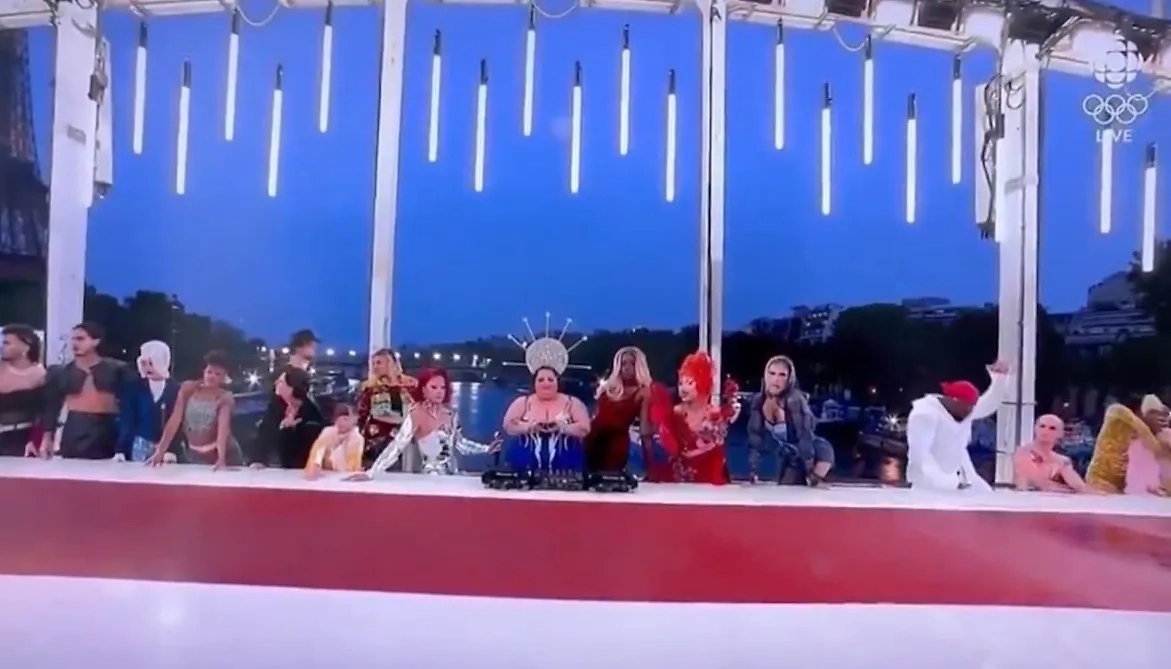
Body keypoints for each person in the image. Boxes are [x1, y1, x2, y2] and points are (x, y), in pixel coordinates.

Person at [353, 366, 494, 479]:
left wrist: (487, 449)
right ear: (424, 389)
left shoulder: (451, 414)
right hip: (429, 479)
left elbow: (460, 444)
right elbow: (397, 446)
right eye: (434, 387)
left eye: (443, 388)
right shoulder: (417, 414)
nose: (439, 392)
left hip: (452, 477)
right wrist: (372, 472)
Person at [904, 361, 1010, 491]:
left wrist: (999, 379)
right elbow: (920, 457)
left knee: (986, 494)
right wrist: (945, 482)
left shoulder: (963, 410)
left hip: (961, 478)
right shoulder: (924, 415)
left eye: (972, 408)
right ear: (954, 401)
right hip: (930, 485)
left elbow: (988, 404)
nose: (971, 412)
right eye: (967, 408)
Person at [41, 322, 135, 460]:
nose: (75, 343)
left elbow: (132, 403)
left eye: (80, 339)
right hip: (75, 427)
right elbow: (52, 407)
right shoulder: (61, 372)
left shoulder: (117, 369)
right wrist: (47, 437)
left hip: (108, 427)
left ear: (96, 341)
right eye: (73, 339)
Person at [651, 351, 740, 485]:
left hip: (708, 480)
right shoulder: (674, 413)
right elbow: (669, 449)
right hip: (678, 481)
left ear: (702, 383)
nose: (683, 388)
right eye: (680, 383)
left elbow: (716, 449)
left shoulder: (715, 414)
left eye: (689, 383)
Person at [746, 355, 834, 486]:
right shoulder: (758, 401)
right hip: (790, 454)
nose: (776, 379)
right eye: (772, 373)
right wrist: (753, 469)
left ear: (789, 379)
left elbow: (805, 436)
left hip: (815, 452)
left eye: (782, 375)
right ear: (765, 375)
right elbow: (755, 436)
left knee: (809, 491)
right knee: (784, 491)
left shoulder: (794, 400)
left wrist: (809, 469)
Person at [148, 351, 240, 469]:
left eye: (217, 374)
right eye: (209, 372)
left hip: (224, 454)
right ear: (204, 372)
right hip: (194, 455)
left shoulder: (224, 397)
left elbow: (223, 429)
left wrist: (221, 458)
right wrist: (160, 451)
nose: (212, 376)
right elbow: (174, 420)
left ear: (224, 377)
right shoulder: (188, 389)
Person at [499, 364, 591, 484]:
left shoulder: (573, 403)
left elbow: (584, 429)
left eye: (550, 379)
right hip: (523, 471)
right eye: (541, 380)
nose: (546, 383)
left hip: (567, 473)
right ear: (534, 383)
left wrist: (563, 428)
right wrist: (527, 427)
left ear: (558, 382)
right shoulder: (522, 402)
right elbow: (508, 426)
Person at [251, 329, 316, 467]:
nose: (314, 349)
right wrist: (291, 411)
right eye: (310, 345)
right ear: (299, 347)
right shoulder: (290, 373)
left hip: (287, 425)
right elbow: (283, 397)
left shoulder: (292, 372)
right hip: (289, 426)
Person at [584, 347, 653, 475]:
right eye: (623, 363)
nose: (627, 368)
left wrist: (650, 465)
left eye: (632, 364)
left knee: (610, 479)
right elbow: (596, 414)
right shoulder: (609, 387)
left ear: (639, 366)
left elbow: (645, 430)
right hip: (591, 437)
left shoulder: (643, 392)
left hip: (616, 442)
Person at [1086, 395, 1171, 495]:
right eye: (1155, 414)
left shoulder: (1155, 436)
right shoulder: (1117, 413)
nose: (1161, 420)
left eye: (1163, 416)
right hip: (1101, 479)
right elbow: (1145, 433)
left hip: (1123, 485)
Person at [118, 340, 181, 462]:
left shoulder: (176, 389)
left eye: (152, 363)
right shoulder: (135, 388)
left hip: (166, 448)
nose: (148, 368)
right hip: (140, 444)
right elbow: (128, 420)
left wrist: (173, 450)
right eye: (144, 364)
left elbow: (178, 424)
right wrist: (120, 449)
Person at [355, 348, 417, 469]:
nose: (375, 367)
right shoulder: (370, 388)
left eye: (379, 363)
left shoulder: (411, 385)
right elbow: (370, 414)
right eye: (373, 363)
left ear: (391, 363)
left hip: (407, 442)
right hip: (376, 442)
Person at [1012, 414, 1096, 493]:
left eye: (1052, 428)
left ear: (1060, 434)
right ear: (1035, 428)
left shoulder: (1062, 461)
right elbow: (1039, 483)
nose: (1045, 431)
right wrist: (1072, 491)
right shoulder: (1023, 452)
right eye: (1042, 426)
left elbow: (1080, 487)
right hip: (1026, 499)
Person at [0, 324, 45, 457]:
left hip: (20, 440)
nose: (2, 347)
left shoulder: (40, 375)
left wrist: (35, 440)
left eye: (7, 343)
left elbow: (43, 413)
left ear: (26, 346)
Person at [303, 404, 365, 480]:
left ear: (354, 420)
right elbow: (318, 451)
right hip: (325, 474)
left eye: (345, 419)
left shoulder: (357, 438)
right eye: (338, 419)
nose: (341, 423)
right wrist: (315, 466)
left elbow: (353, 465)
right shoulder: (328, 432)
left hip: (343, 475)